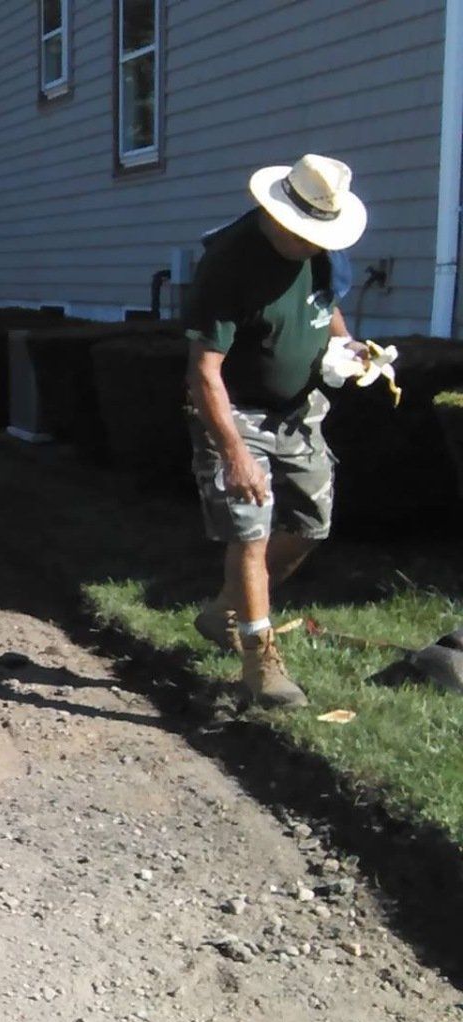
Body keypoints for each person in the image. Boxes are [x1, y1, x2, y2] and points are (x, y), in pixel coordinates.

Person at [184, 154, 368, 709]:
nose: (314, 244)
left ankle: (225, 613)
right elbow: (203, 370)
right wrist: (234, 453)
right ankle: (259, 661)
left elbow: (326, 307)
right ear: (279, 213)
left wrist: (348, 347)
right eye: (306, 233)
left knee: (312, 525)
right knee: (251, 529)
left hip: (299, 411)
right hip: (237, 410)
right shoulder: (230, 263)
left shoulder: (324, 253)